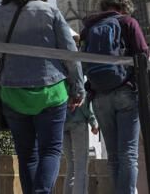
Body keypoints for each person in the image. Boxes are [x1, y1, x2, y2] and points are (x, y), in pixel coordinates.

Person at [0, 0, 83, 194]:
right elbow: (69, 52)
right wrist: (78, 87)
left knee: (26, 153)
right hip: (51, 90)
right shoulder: (50, 11)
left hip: (12, 91)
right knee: (50, 150)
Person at [82, 0, 150, 194]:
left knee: (114, 156)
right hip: (125, 92)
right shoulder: (127, 22)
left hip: (99, 97)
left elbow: (84, 64)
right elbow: (143, 60)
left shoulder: (89, 28)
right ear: (124, 6)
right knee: (129, 154)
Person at [62, 30, 98, 194]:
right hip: (78, 121)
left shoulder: (60, 66)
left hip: (62, 121)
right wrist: (92, 120)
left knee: (70, 165)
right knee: (81, 166)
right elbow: (82, 99)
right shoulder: (79, 67)